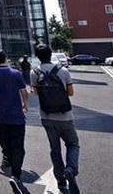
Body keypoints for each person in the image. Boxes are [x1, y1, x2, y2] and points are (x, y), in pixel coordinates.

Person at [33, 44, 80, 194]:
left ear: (37, 56)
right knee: (72, 144)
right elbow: (71, 93)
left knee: (55, 148)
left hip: (46, 116)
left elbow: (36, 93)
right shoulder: (63, 71)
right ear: (50, 53)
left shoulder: (35, 72)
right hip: (65, 116)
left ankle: (60, 178)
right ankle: (71, 169)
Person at [0, 50, 28, 193]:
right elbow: (24, 91)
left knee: (8, 145)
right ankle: (16, 175)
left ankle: (12, 169)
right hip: (17, 117)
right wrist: (25, 105)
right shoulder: (16, 73)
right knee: (18, 147)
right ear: (5, 59)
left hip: (1, 117)